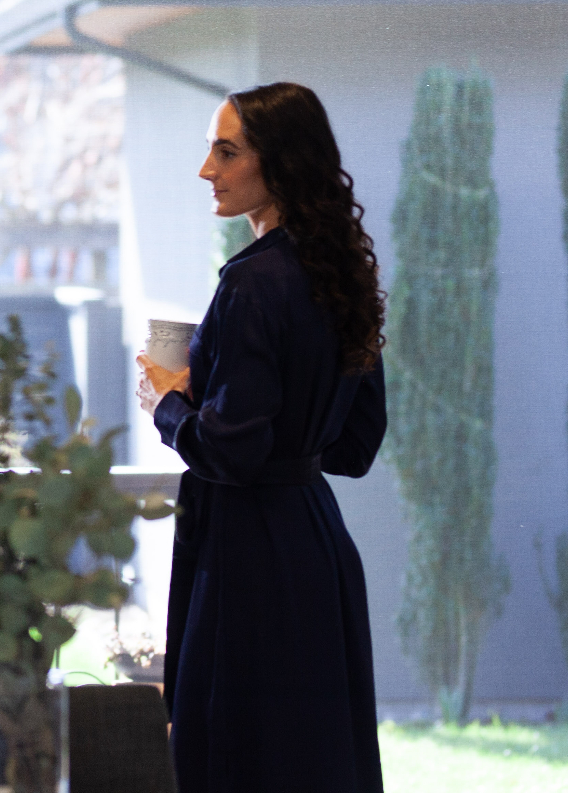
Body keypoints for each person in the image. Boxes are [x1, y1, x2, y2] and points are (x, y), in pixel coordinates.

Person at [135, 81, 388, 793]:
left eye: (226, 151)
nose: (206, 169)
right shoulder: (342, 272)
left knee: (235, 760)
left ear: (280, 164)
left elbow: (230, 450)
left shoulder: (252, 284)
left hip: (246, 559)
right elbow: (357, 445)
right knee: (313, 761)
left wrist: (169, 401)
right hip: (316, 547)